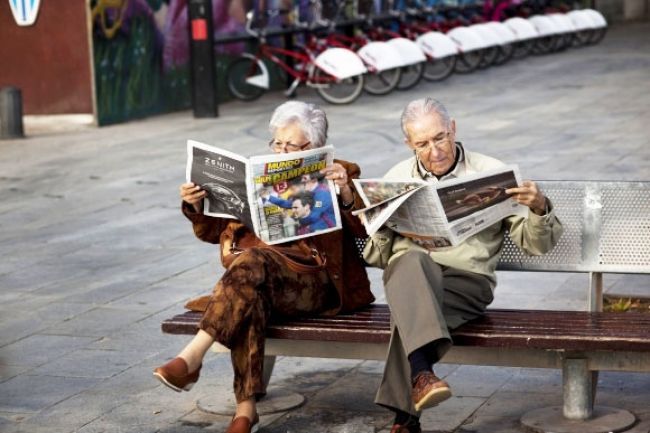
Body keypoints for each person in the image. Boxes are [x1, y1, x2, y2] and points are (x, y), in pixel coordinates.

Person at [153, 101, 374, 433]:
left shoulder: (341, 173)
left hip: (317, 281)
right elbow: (213, 232)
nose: (280, 150)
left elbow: (367, 230)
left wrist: (344, 192)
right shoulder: (262, 177)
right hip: (262, 278)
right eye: (277, 143)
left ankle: (192, 358)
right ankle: (245, 410)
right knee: (250, 292)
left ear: (312, 147)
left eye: (290, 145)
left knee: (249, 267)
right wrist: (196, 204)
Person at [363, 98, 564, 433]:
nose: (435, 151)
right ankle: (419, 382)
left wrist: (540, 208)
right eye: (422, 144)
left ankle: (410, 399)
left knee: (409, 312)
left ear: (453, 128)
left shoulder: (490, 173)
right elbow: (377, 257)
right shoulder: (397, 178)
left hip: (466, 283)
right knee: (410, 261)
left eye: (440, 137)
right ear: (409, 144)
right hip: (410, 275)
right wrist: (382, 225)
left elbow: (536, 245)